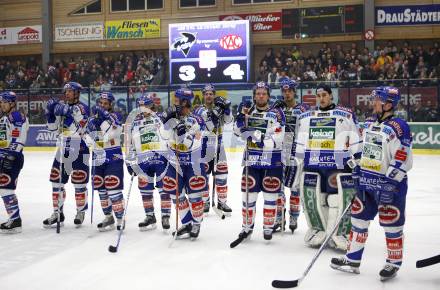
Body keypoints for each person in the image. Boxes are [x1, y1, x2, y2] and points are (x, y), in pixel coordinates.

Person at [331, 86, 413, 281]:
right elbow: (362, 150)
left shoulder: (399, 127)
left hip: (389, 186)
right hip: (366, 183)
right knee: (358, 220)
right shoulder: (368, 123)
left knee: (392, 224)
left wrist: (391, 183)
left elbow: (403, 158)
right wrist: (357, 168)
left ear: (388, 103)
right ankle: (352, 260)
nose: (373, 102)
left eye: (377, 99)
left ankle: (393, 263)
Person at [295, 84, 362, 250]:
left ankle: (338, 233)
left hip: (337, 167)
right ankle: (319, 230)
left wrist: (358, 162)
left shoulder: (345, 115)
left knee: (336, 200)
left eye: (325, 95)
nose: (322, 98)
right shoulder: (306, 117)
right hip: (313, 166)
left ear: (331, 96)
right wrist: (297, 166)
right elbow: (300, 145)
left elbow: (356, 141)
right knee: (315, 199)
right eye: (319, 95)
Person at [233, 81, 285, 242]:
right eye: (258, 93)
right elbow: (237, 134)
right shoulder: (248, 111)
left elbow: (277, 138)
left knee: (271, 197)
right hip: (252, 161)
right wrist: (240, 119)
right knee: (248, 197)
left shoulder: (277, 113)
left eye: (263, 93)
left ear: (268, 96)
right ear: (254, 96)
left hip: (272, 162)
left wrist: (252, 134)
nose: (260, 96)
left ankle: (268, 227)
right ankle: (246, 227)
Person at [160, 88, 207, 239]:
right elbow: (163, 137)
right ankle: (187, 223)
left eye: (177, 99)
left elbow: (194, 143)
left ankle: (197, 224)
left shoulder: (197, 120)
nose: (174, 102)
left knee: (194, 195)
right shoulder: (171, 117)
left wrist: (183, 136)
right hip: (174, 162)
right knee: (176, 195)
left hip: (193, 163)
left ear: (184, 101)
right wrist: (166, 123)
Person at [43, 82, 90, 228]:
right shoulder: (61, 106)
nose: (67, 93)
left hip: (79, 150)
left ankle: (80, 212)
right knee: (56, 183)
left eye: (70, 91)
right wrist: (50, 113)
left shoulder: (83, 108)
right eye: (66, 91)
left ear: (77, 93)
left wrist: (68, 114)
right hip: (62, 150)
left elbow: (79, 130)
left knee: (79, 183)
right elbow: (52, 129)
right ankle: (57, 212)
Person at [125, 94, 172, 231]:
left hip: (161, 158)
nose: (143, 109)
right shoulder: (134, 123)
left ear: (152, 105)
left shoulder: (161, 118)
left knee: (164, 188)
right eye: (140, 106)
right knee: (145, 190)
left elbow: (170, 136)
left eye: (145, 105)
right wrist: (129, 162)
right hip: (142, 159)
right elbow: (131, 144)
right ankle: (150, 216)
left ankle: (165, 215)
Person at [271, 78, 310, 233]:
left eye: (289, 91)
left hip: (296, 153)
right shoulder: (276, 108)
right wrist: (273, 110)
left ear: (294, 92)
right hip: (279, 152)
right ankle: (279, 218)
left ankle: (294, 217)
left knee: (295, 188)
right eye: (284, 91)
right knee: (278, 188)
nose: (286, 94)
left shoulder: (303, 109)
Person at [85, 91, 125, 231]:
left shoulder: (116, 116)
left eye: (105, 104)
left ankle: (120, 218)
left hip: (113, 155)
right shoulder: (91, 119)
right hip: (97, 156)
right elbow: (88, 140)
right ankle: (108, 217)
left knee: (113, 189)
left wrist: (102, 122)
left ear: (110, 105)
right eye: (100, 103)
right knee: (101, 190)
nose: (102, 106)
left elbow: (110, 136)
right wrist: (94, 134)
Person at [194, 84, 233, 216]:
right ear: (203, 95)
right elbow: (208, 124)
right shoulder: (199, 110)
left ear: (214, 95)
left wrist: (226, 110)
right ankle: (205, 201)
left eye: (211, 93)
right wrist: (216, 113)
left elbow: (228, 121)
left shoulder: (219, 108)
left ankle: (222, 202)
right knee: (203, 176)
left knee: (222, 175)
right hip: (204, 147)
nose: (209, 96)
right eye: (206, 94)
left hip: (219, 146)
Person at [0, 91, 29, 233]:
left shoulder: (16, 116)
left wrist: (9, 154)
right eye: (1, 102)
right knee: (4, 187)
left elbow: (18, 140)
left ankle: (16, 220)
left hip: (12, 156)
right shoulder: (6, 117)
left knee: (6, 188)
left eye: (4, 102)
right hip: (6, 155)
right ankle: (14, 218)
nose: (2, 105)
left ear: (12, 103)